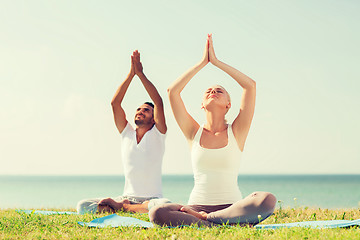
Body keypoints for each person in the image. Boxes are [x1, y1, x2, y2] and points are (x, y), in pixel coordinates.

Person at [149, 34, 276, 227]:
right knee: (158, 212)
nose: (212, 92)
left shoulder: (237, 131)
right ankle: (222, 224)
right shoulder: (193, 132)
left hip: (231, 208)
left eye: (219, 91)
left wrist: (216, 62)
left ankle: (209, 221)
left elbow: (249, 86)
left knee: (267, 199)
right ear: (202, 105)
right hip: (196, 206)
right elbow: (172, 91)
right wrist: (202, 63)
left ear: (228, 104)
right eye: (208, 91)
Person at [77, 50, 170, 214]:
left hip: (152, 200)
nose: (140, 111)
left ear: (154, 118)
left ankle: (123, 208)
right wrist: (130, 74)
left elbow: (158, 101)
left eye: (146, 110)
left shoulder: (158, 134)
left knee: (164, 205)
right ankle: (126, 206)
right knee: (83, 206)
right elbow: (115, 103)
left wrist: (140, 74)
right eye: (138, 109)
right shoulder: (126, 133)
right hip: (126, 196)